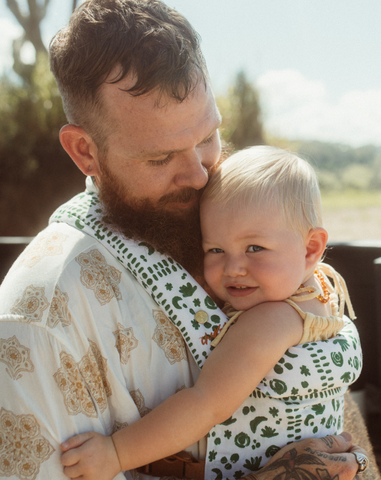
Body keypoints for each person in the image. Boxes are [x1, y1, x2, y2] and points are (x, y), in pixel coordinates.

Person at [0, 1, 379, 479]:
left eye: (208, 137)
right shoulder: (40, 320)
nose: (201, 175)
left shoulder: (237, 222)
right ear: (85, 151)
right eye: (161, 159)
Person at [59, 146, 363, 480]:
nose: (233, 268)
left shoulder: (271, 321)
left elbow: (206, 404)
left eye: (254, 248)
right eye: (216, 249)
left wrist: (116, 453)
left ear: (310, 248)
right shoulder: (320, 286)